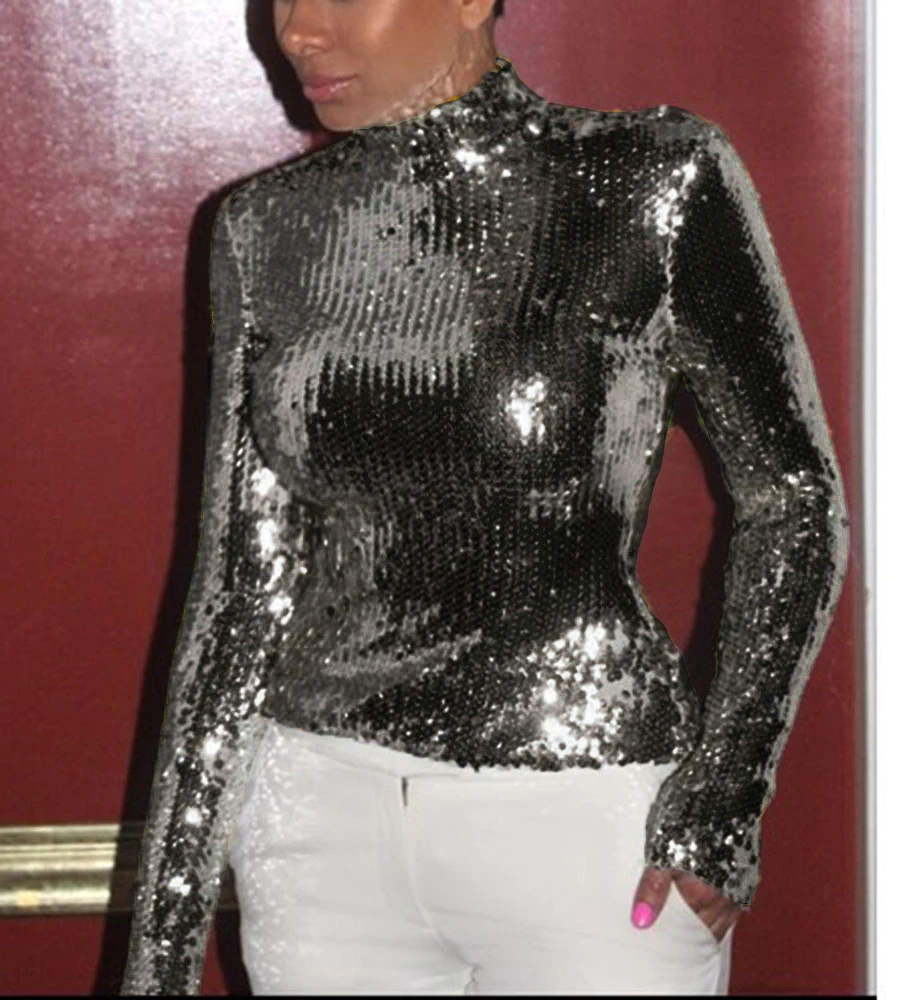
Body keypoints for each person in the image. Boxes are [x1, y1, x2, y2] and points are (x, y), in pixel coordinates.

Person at [120, 0, 850, 995]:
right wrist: (159, 959)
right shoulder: (264, 227)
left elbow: (792, 499)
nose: (296, 31)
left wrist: (724, 795)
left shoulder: (653, 176)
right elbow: (242, 588)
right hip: (316, 833)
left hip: (588, 830)